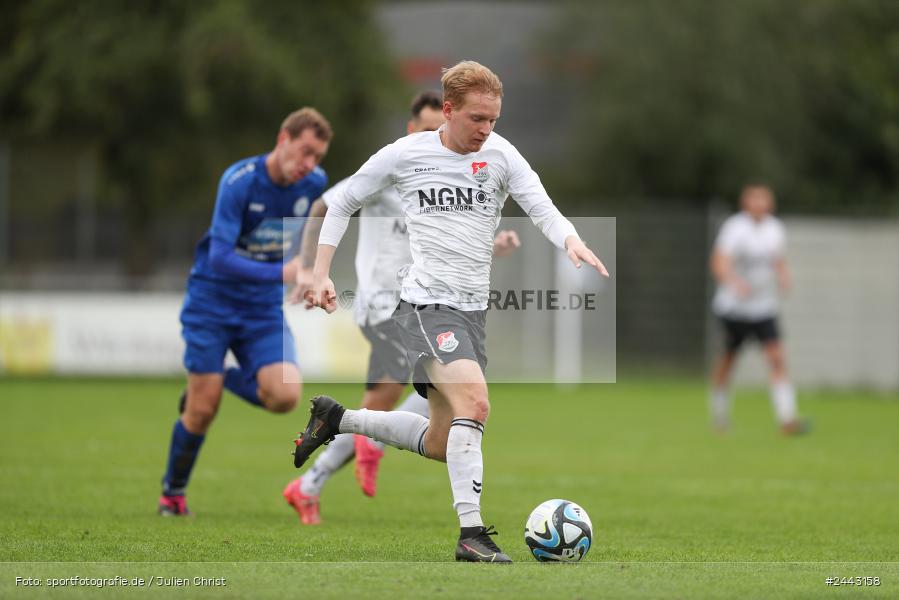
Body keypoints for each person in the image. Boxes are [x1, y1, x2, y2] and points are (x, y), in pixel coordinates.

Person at [293, 61, 608, 563]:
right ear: (448, 110)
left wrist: (571, 239)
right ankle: (471, 535)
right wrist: (320, 271)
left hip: (471, 315)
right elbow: (343, 201)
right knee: (476, 405)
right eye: (477, 119)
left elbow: (541, 206)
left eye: (494, 120)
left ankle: (339, 419)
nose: (486, 130)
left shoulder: (501, 155)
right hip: (423, 306)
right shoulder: (406, 154)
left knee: (442, 442)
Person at [282, 91, 521, 525]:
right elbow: (326, 205)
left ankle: (318, 473)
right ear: (414, 129)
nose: (438, 137)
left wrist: (494, 243)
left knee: (423, 400)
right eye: (430, 129)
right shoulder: (396, 166)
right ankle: (352, 452)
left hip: (427, 303)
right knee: (397, 393)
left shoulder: (450, 175)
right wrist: (305, 266)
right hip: (382, 304)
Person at [158, 108, 332, 516]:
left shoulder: (314, 184)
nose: (309, 165)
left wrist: (307, 272)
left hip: (260, 306)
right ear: (283, 139)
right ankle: (173, 493)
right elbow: (219, 257)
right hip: (212, 301)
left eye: (318, 157)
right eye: (305, 152)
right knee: (201, 411)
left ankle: (216, 381)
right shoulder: (239, 181)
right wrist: (285, 271)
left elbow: (313, 228)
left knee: (286, 395)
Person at [709, 183, 807, 435]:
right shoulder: (735, 228)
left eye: (763, 200)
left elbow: (778, 260)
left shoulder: (775, 229)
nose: (759, 204)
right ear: (746, 203)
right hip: (734, 308)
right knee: (729, 360)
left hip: (763, 307)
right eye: (754, 199)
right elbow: (719, 262)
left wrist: (784, 276)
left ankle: (787, 418)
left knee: (776, 358)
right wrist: (733, 283)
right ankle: (719, 416)